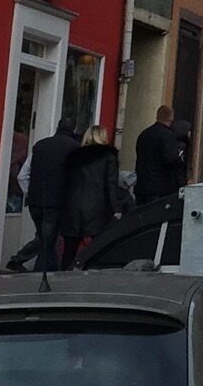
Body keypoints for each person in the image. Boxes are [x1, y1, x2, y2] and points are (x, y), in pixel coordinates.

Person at [60, 125, 128, 262]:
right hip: (97, 206)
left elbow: (66, 182)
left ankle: (64, 275)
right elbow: (111, 184)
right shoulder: (108, 156)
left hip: (72, 206)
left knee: (69, 250)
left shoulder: (74, 156)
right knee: (100, 248)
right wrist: (116, 209)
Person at [22, 116, 80, 272]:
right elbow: (77, 178)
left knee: (45, 240)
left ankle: (53, 273)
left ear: (57, 127)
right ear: (73, 129)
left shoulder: (39, 145)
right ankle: (40, 277)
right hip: (56, 202)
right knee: (47, 244)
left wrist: (29, 192)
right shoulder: (75, 148)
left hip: (35, 202)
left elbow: (23, 175)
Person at [133, 105, 187, 203]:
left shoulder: (144, 134)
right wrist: (180, 160)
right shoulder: (168, 136)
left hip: (142, 186)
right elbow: (170, 160)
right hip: (160, 188)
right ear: (171, 118)